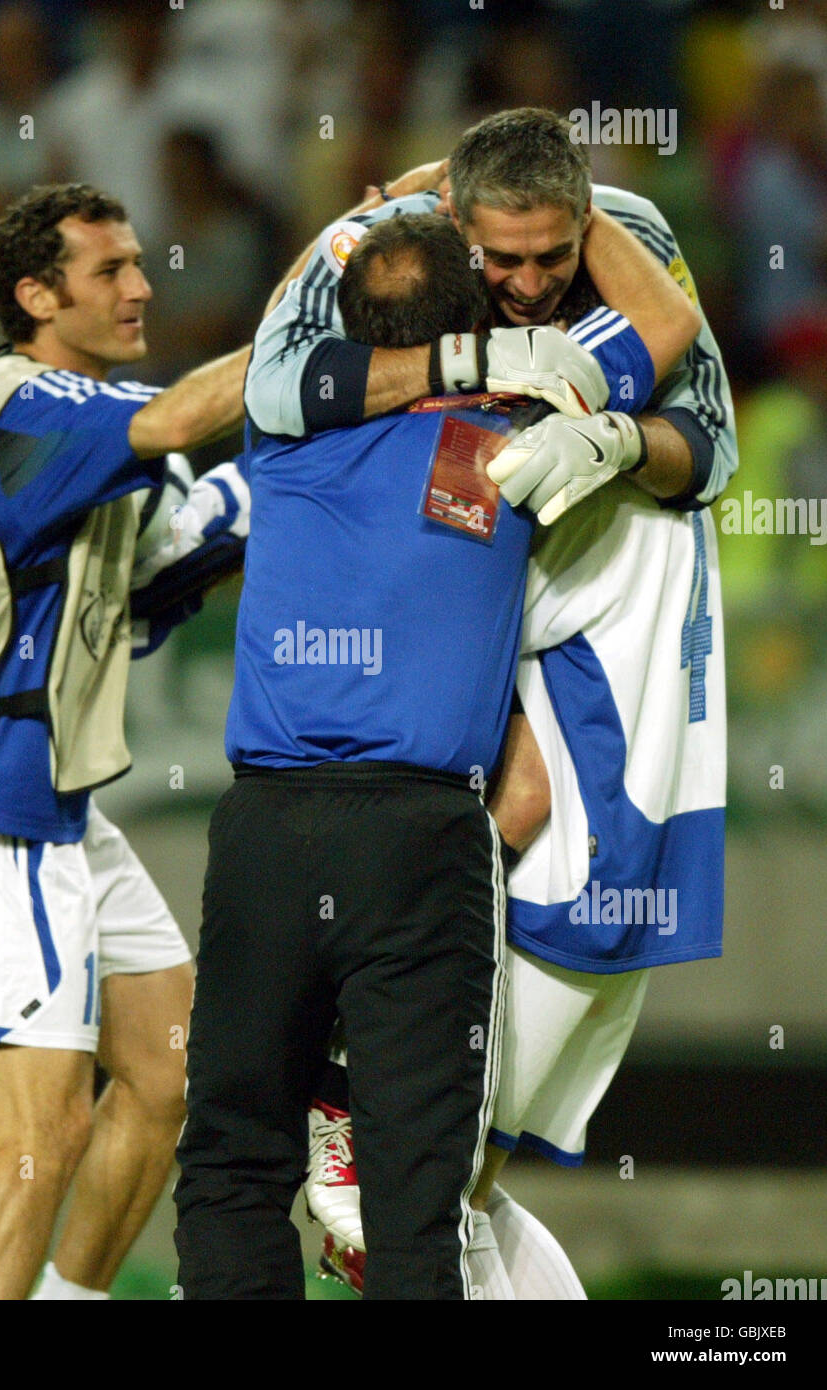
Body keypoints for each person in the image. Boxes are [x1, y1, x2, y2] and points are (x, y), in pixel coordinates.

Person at [246, 108, 735, 1296]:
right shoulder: (377, 243)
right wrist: (476, 366)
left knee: (463, 1168)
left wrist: (617, 439)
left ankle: (351, 1076)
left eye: (546, 262)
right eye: (497, 261)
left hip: (597, 662)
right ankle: (345, 1067)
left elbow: (707, 437)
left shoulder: (629, 235)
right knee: (429, 1171)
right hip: (485, 645)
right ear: (455, 224)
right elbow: (271, 387)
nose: (522, 286)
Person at [174, 213, 542, 1302]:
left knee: (234, 1162)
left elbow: (285, 322)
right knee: (412, 1193)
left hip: (265, 835)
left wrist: (368, 212)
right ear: (470, 317)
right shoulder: (510, 439)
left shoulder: (278, 435)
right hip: (419, 840)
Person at [0, 182, 250, 1301]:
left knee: (164, 1064)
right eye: (111, 272)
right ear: (37, 297)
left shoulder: (76, 425)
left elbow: (143, 588)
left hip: (54, 809)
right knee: (38, 1131)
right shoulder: (31, 402)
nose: (143, 286)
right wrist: (321, 301)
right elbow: (185, 418)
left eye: (139, 262)